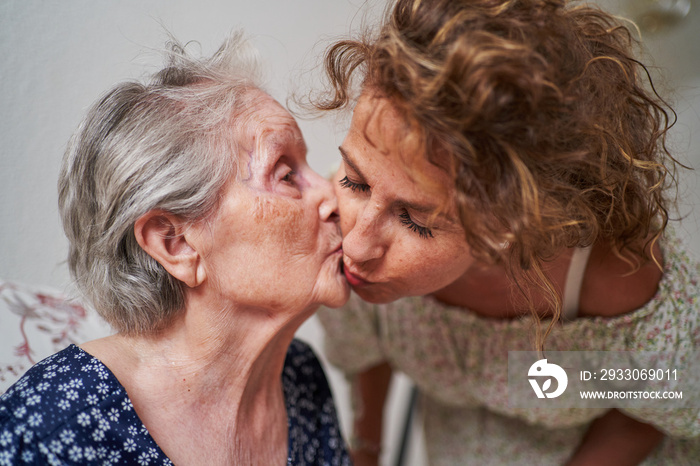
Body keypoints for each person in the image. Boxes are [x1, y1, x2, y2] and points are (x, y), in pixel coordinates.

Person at [312, 0, 700, 464]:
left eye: (416, 220)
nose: (354, 244)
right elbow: (366, 346)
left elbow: (648, 401)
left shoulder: (621, 284)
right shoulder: (357, 214)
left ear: (510, 225)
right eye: (355, 179)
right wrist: (367, 449)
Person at [0, 32, 352, 465]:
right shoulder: (51, 425)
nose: (334, 197)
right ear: (177, 243)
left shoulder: (298, 375)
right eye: (285, 174)